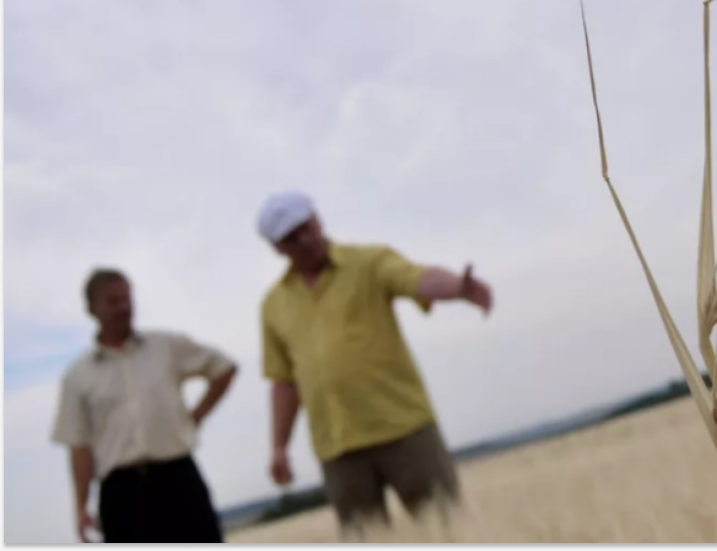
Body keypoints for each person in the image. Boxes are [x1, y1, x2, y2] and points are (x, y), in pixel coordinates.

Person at [256, 191, 493, 537]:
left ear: (318, 220)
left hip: (404, 428)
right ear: (278, 248)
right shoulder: (273, 305)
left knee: (448, 531)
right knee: (363, 540)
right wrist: (279, 447)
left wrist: (457, 286)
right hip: (337, 446)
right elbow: (284, 382)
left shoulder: (369, 262)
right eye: (292, 237)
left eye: (307, 227)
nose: (305, 239)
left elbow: (416, 278)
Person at [50, 268, 238, 543]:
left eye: (127, 298)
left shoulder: (166, 347)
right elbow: (79, 446)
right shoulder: (78, 376)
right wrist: (80, 507)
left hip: (179, 481)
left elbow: (223, 368)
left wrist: (198, 415)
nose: (123, 307)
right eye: (113, 301)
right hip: (121, 496)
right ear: (92, 309)